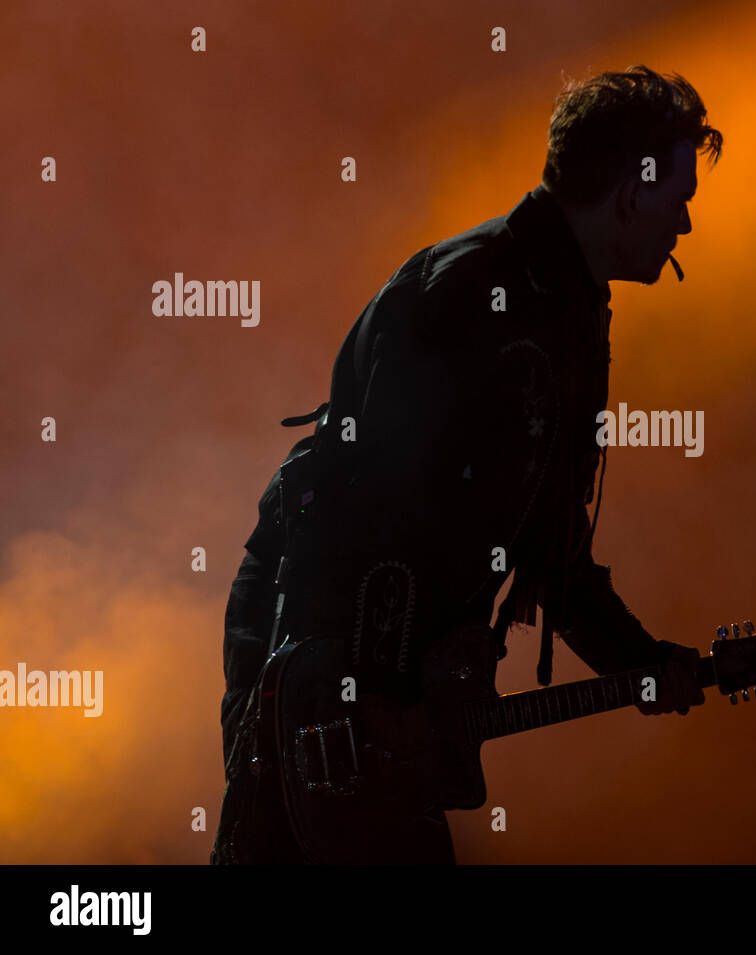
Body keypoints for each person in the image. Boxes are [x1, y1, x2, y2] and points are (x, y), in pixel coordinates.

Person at [211, 64, 724, 864]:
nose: (687, 223)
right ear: (631, 192)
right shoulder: (468, 294)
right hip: (315, 688)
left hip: (370, 711)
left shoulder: (570, 312)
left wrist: (641, 663)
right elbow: (344, 511)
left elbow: (550, 548)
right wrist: (335, 701)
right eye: (680, 197)